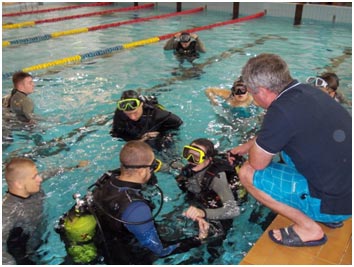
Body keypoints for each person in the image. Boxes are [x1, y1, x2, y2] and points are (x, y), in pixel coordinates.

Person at [228, 53, 351, 248]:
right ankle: (329, 215)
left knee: (247, 173)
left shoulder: (280, 112)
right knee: (287, 150)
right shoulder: (308, 91)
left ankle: (309, 228)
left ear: (261, 91)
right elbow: (284, 130)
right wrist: (248, 144)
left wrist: (251, 151)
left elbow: (257, 163)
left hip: (335, 203)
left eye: (252, 92)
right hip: (346, 190)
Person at [73, 140, 201, 264]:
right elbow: (160, 250)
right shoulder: (136, 208)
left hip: (105, 242)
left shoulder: (107, 179)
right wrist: (198, 240)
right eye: (152, 166)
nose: (154, 169)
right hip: (128, 258)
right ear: (141, 170)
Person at [2, 157, 89, 265]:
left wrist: (75, 167)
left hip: (42, 236)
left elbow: (48, 173)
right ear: (18, 184)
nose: (40, 179)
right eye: (34, 177)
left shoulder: (32, 187)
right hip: (27, 251)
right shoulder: (7, 213)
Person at [175, 138, 247, 261]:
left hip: (221, 204)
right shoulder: (189, 170)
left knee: (213, 241)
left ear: (208, 158)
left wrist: (203, 213)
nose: (191, 160)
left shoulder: (217, 179)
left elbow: (233, 210)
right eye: (189, 153)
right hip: (203, 199)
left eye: (197, 156)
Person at [110, 90, 183, 151]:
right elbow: (117, 135)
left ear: (141, 104)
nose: (132, 117)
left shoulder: (156, 114)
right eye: (128, 114)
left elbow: (179, 123)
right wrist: (142, 139)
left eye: (135, 112)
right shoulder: (120, 114)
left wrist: (162, 134)